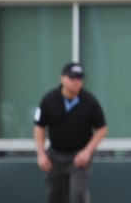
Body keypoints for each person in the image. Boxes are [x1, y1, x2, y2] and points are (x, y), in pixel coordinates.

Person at [34, 63, 107, 203]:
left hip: (79, 156)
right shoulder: (49, 100)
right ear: (62, 79)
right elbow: (39, 127)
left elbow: (102, 129)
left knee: (79, 194)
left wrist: (87, 151)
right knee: (55, 196)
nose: (76, 81)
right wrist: (41, 153)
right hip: (55, 155)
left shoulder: (89, 101)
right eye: (72, 77)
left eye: (79, 78)